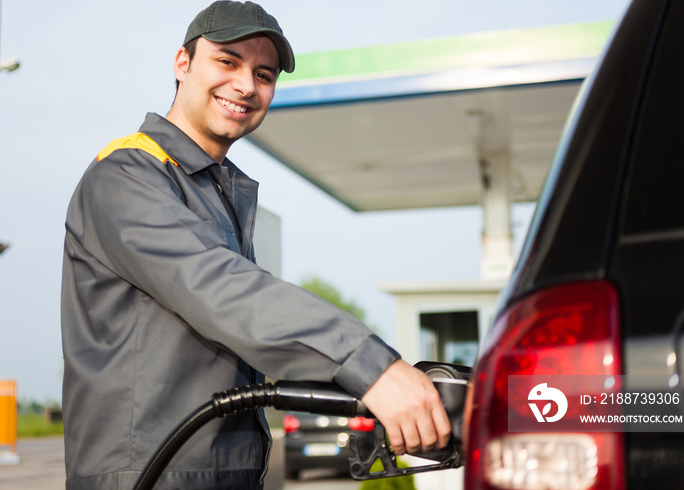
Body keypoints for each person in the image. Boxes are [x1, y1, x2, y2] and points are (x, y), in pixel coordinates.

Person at [60, 2, 450, 489]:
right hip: (151, 475)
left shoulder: (215, 188)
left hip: (219, 473)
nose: (246, 85)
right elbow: (223, 291)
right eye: (227, 61)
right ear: (182, 64)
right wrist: (372, 367)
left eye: (263, 73)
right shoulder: (126, 176)